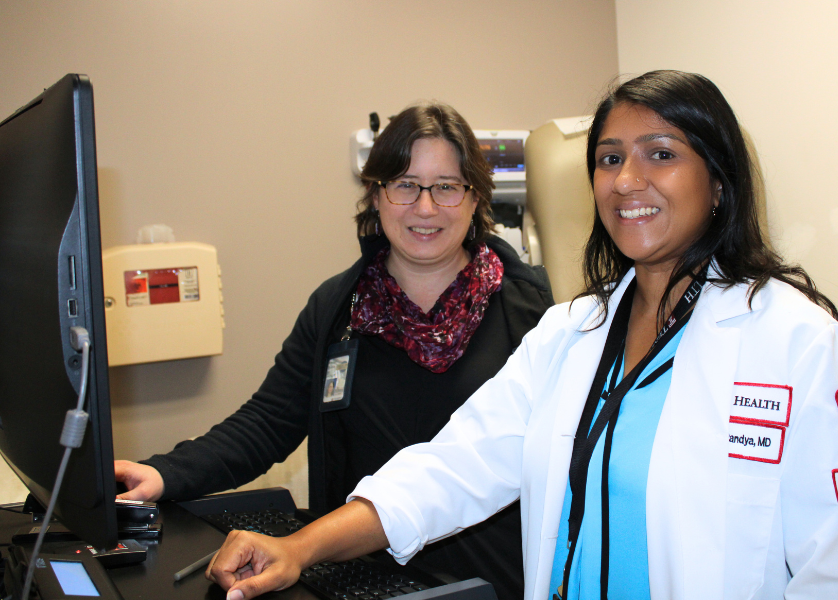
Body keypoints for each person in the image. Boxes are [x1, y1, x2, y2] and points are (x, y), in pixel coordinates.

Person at [205, 71, 838, 600]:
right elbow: (452, 467)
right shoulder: (571, 333)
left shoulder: (796, 341)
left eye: (661, 154)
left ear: (717, 182)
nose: (627, 180)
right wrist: (299, 547)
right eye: (608, 158)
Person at [114, 102, 555, 600]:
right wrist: (163, 474)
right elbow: (267, 422)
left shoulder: (531, 312)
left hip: (493, 582)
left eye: (447, 187)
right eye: (405, 185)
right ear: (375, 195)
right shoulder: (337, 310)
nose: (425, 208)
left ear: (476, 199)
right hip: (359, 574)